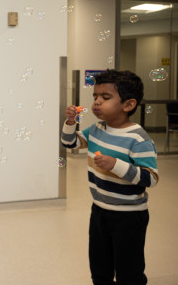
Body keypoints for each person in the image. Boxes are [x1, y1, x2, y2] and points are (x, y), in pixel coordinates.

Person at [61, 69, 158, 285]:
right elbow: (71, 143)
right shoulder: (97, 129)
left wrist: (117, 165)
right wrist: (70, 123)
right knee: (99, 265)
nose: (96, 102)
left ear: (128, 105)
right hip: (100, 209)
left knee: (128, 271)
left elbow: (150, 178)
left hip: (129, 216)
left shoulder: (138, 139)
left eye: (105, 98)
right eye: (95, 97)